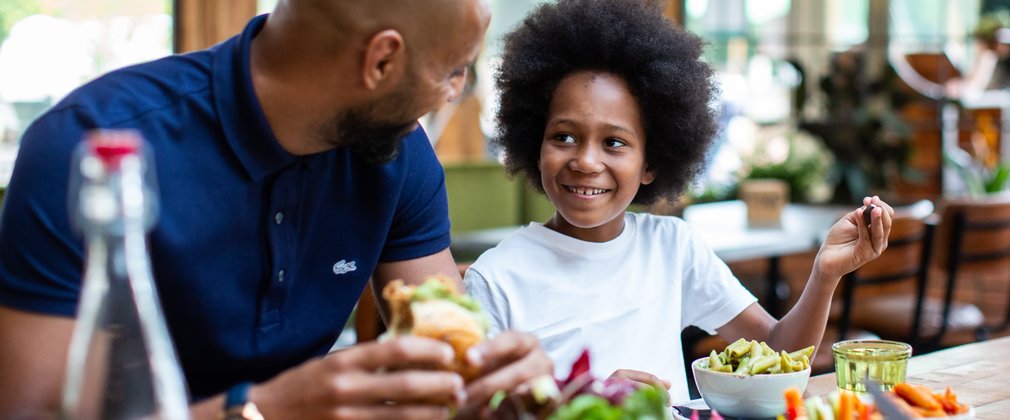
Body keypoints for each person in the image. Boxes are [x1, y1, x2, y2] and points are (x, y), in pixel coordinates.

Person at [0, 0, 552, 418]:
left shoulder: (400, 154)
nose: (454, 93)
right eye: (453, 71)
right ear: (381, 60)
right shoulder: (93, 148)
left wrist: (496, 380)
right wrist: (264, 409)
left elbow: (453, 353)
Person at [464, 0, 893, 404]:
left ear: (651, 163)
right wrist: (582, 401)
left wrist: (823, 274)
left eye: (614, 142)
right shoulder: (496, 280)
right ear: (535, 144)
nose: (586, 160)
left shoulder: (673, 247)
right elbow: (477, 408)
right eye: (564, 137)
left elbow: (780, 350)